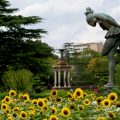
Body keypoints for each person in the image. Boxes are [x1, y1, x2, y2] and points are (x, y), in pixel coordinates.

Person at [85, 7, 120, 88]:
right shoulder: (98, 18)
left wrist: (118, 26)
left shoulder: (96, 15)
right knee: (110, 56)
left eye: (89, 24)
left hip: (115, 32)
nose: (91, 26)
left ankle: (111, 82)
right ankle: (110, 82)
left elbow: (107, 19)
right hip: (116, 32)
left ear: (90, 20)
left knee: (104, 53)